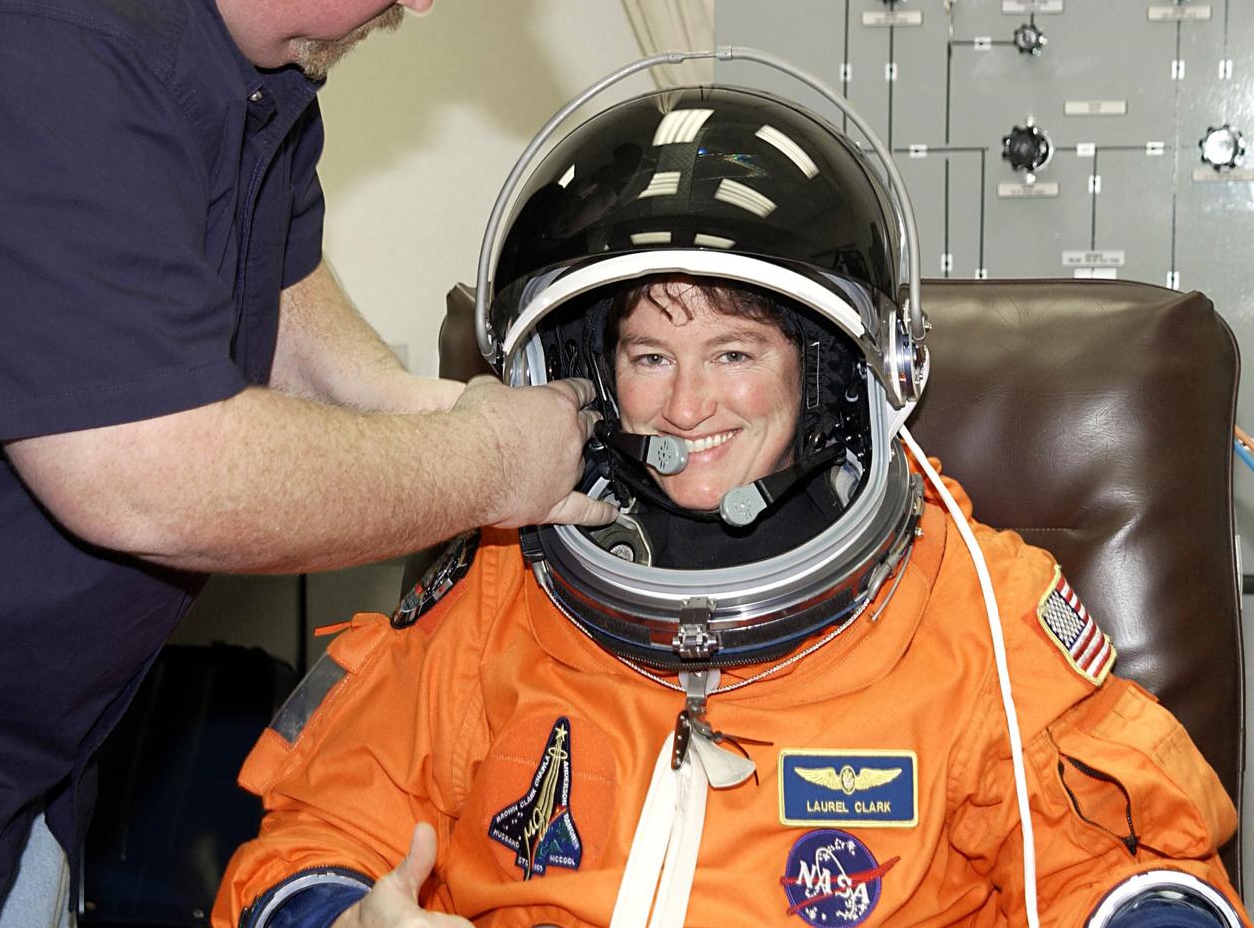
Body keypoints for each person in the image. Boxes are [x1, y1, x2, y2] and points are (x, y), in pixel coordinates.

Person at [212, 84, 1248, 928]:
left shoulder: (971, 609)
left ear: (830, 376)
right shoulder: (493, 586)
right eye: (649, 356)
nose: (688, 403)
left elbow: (1127, 860)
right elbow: (314, 833)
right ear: (592, 376)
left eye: (735, 353)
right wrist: (336, 916)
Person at [0, 0, 618, 924]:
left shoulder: (255, 74)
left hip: (30, 776)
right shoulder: (55, 39)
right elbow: (146, 473)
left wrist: (423, 405)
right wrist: (483, 466)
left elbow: (275, 291)